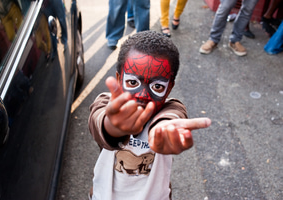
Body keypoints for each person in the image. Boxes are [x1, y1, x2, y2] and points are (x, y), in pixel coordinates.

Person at [88, 31, 211, 200]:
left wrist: (161, 130)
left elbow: (173, 115)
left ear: (169, 88)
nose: (143, 95)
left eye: (157, 87)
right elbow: (98, 120)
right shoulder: (107, 104)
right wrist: (112, 126)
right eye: (132, 83)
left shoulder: (170, 107)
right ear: (118, 79)